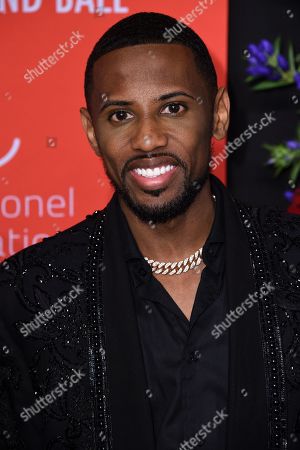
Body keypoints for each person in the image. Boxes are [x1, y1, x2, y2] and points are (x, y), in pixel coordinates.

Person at [0, 11, 299, 450]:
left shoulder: (291, 262)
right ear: (92, 132)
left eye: (173, 108)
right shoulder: (25, 297)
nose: (146, 139)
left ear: (219, 115)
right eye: (120, 115)